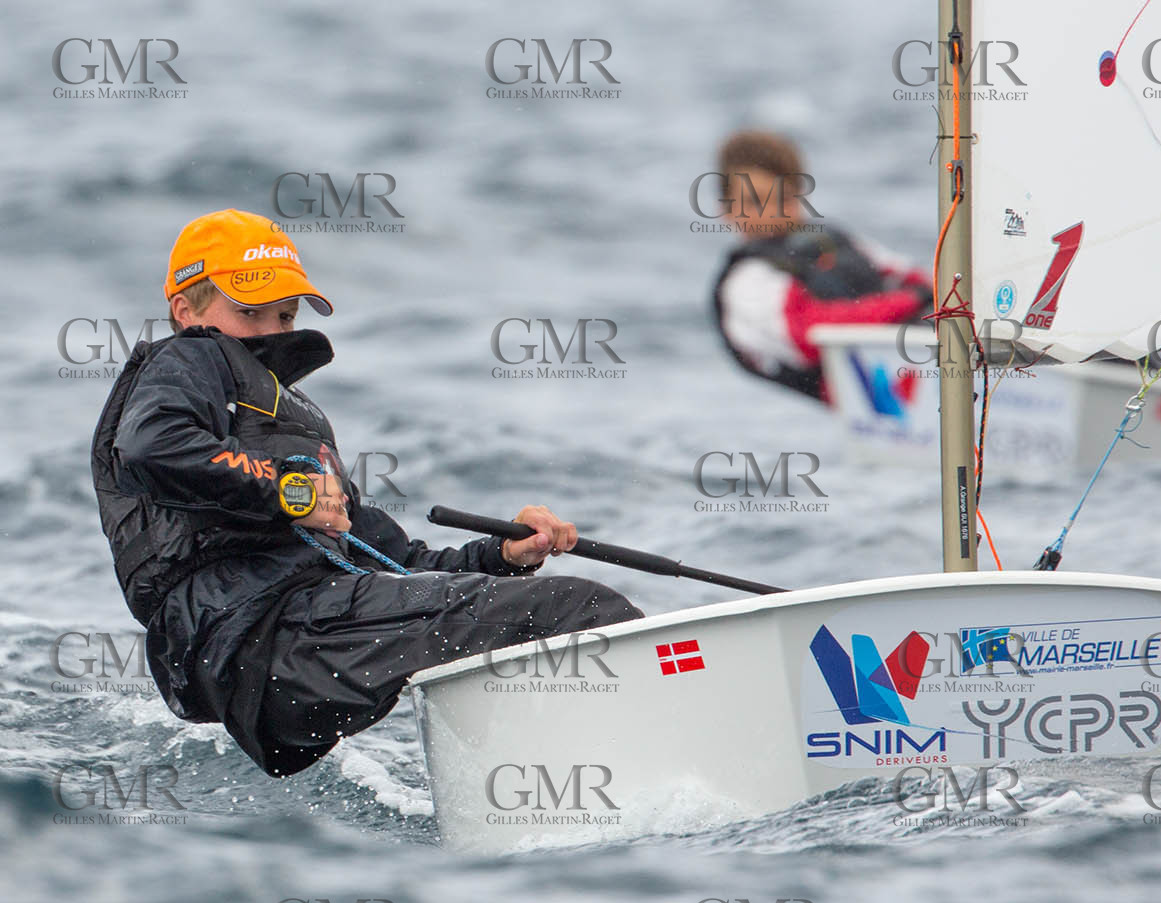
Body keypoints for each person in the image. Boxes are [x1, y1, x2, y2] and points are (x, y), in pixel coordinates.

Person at [91, 209, 642, 777]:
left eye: (284, 314)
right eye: (250, 311)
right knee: (580, 609)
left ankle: (547, 789)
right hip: (257, 634)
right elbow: (153, 444)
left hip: (292, 643)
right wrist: (293, 494)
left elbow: (393, 561)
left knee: (532, 613)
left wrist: (502, 555)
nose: (273, 331)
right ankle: (637, 771)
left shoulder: (288, 420)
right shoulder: (190, 358)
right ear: (186, 311)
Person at [710, 130, 934, 403]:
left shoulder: (834, 241)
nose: (772, 213)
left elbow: (918, 279)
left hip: (905, 372)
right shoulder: (746, 282)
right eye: (755, 201)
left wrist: (922, 298)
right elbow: (816, 334)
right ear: (726, 209)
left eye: (783, 198)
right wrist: (911, 300)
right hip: (834, 412)